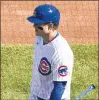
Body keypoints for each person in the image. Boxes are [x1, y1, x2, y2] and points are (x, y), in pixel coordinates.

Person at [27, 4, 74, 100]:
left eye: (38, 23)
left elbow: (59, 87)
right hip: (36, 94)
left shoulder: (61, 52)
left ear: (50, 26)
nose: (34, 26)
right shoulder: (40, 37)